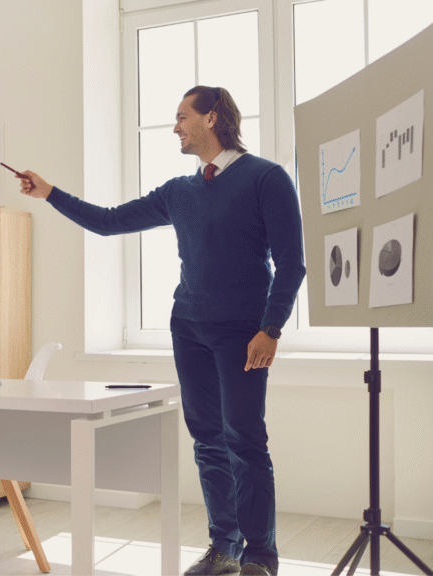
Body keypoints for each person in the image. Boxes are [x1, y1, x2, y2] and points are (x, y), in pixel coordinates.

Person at [17, 86, 305, 576]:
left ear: (212, 118)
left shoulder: (266, 178)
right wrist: (50, 194)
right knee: (207, 439)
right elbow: (109, 223)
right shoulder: (179, 191)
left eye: (182, 117)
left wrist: (271, 328)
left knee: (245, 437)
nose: (175, 127)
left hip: (244, 331)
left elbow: (292, 263)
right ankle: (224, 547)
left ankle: (260, 556)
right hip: (188, 327)